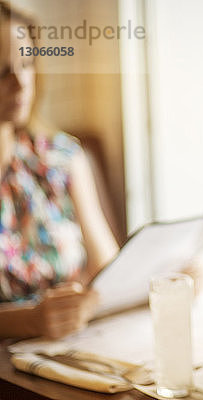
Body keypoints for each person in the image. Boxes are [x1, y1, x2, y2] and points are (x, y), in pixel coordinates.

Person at [0, 2, 118, 339]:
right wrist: (29, 321)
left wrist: (161, 276)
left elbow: (107, 271)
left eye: (26, 64)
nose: (20, 83)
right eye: (1, 70)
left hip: (75, 348)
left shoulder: (61, 157)